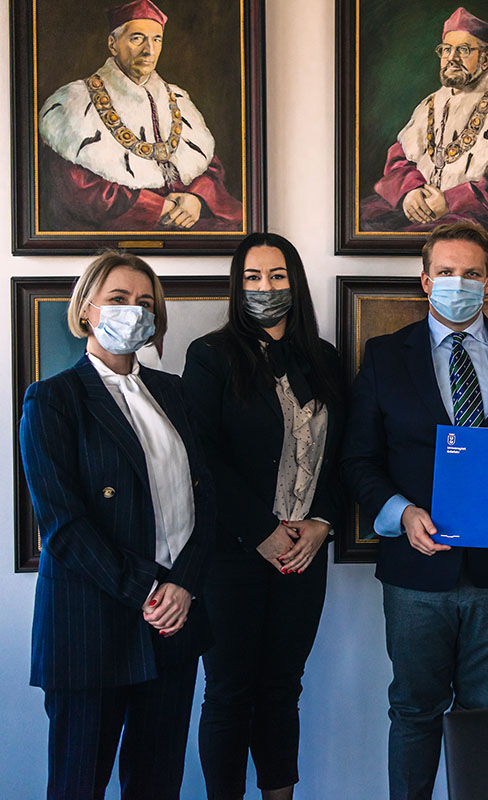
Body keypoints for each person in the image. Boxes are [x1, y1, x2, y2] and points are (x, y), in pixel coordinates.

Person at [341, 221, 488, 800]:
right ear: (425, 280)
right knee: (415, 709)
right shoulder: (385, 356)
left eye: (470, 273)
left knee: (487, 711)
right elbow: (358, 459)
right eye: (445, 271)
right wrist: (402, 514)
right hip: (416, 570)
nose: (457, 282)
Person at [19, 251, 215, 798]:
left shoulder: (174, 392)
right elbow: (63, 526)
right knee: (77, 785)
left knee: (156, 785)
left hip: (174, 623)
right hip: (90, 626)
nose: (134, 311)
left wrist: (184, 585)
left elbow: (206, 500)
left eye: (145, 302)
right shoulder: (52, 399)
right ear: (86, 309)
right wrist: (151, 589)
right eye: (119, 299)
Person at [182, 233, 345, 800]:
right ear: (237, 285)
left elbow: (343, 453)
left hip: (305, 553)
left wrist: (322, 523)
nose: (265, 287)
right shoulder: (210, 355)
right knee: (228, 693)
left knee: (282, 688)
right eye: (252, 277)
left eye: (277, 275)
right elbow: (200, 456)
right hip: (233, 554)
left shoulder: (324, 359)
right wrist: (261, 532)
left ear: (294, 282)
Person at [37, 0, 243, 233]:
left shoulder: (178, 100)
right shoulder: (75, 102)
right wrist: (158, 208)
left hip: (188, 220)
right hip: (122, 226)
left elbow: (210, 167)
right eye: (137, 38)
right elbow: (77, 189)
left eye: (157, 40)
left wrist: (197, 199)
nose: (149, 50)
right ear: (113, 44)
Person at [359, 7, 488, 233]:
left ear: (485, 59)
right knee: (365, 217)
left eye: (463, 50)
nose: (452, 58)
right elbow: (398, 159)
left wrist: (450, 201)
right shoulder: (429, 104)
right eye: (446, 50)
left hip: (476, 214)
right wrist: (410, 192)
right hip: (423, 205)